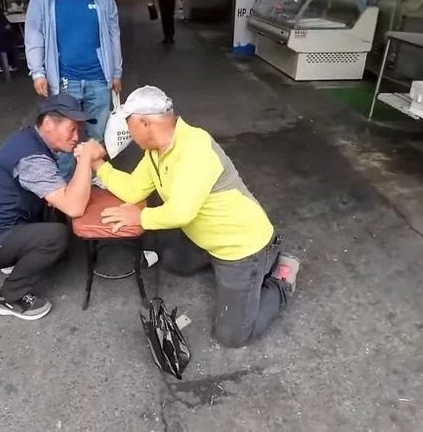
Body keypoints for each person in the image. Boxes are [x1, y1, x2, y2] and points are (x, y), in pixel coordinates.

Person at [76, 86, 300, 348]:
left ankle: (279, 278)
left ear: (144, 122)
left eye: (129, 126)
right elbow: (134, 189)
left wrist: (140, 217)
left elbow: (181, 212)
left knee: (233, 336)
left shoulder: (195, 148)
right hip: (206, 238)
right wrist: (97, 164)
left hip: (241, 247)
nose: (129, 135)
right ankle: (229, 269)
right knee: (174, 262)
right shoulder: (156, 152)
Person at [0, 93, 97, 321]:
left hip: (4, 228)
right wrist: (86, 160)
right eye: (72, 129)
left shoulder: (30, 139)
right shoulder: (31, 158)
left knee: (55, 205)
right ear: (48, 124)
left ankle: (18, 255)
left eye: (79, 130)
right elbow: (74, 207)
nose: (77, 137)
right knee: (56, 236)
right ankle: (8, 297)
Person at [25, 0, 123, 180]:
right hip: (64, 81)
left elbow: (113, 34)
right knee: (65, 138)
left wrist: (116, 72)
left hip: (98, 81)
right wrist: (38, 71)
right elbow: (34, 34)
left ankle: (93, 179)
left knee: (96, 134)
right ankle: (66, 188)